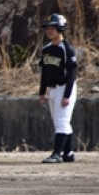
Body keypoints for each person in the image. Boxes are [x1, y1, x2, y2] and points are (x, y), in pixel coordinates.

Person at [38, 13, 78, 163]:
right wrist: (42, 92)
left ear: (60, 28)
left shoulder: (66, 48)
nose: (49, 31)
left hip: (65, 87)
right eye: (48, 28)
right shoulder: (46, 49)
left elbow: (71, 73)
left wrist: (67, 95)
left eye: (53, 28)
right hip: (52, 89)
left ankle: (56, 154)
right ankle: (68, 153)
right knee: (59, 122)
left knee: (62, 121)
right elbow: (45, 72)